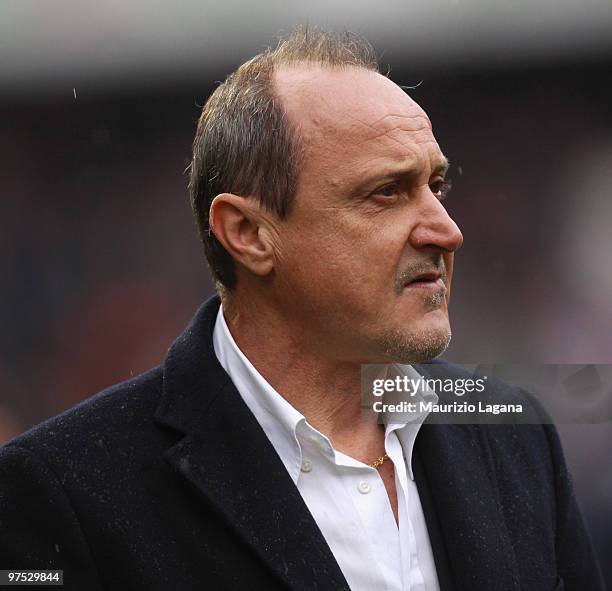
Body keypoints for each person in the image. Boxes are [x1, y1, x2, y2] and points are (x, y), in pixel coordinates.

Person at [0, 28, 604, 591]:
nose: (446, 231)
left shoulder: (515, 430)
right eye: (386, 193)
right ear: (249, 233)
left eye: (436, 188)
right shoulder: (62, 488)